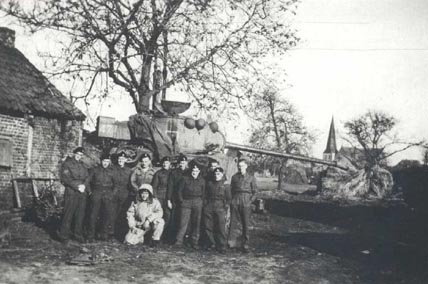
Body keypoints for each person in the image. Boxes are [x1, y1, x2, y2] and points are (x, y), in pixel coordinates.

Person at [57, 147, 89, 243]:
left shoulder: (83, 165)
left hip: (82, 192)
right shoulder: (67, 164)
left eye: (81, 155)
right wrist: (77, 186)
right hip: (71, 191)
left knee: (80, 214)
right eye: (78, 154)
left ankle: (77, 235)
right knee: (68, 213)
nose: (79, 156)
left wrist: (84, 185)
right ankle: (64, 235)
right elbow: (65, 178)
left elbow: (87, 177)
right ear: (74, 154)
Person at [229, 158, 257, 253]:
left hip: (246, 200)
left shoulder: (251, 178)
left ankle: (245, 244)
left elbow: (255, 192)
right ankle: (231, 243)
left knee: (245, 223)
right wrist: (232, 200)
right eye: (239, 166)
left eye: (242, 166)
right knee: (233, 222)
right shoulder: (234, 177)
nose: (240, 168)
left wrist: (250, 201)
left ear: (246, 166)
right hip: (236, 199)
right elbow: (231, 189)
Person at [175, 163, 205, 249]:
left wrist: (200, 201)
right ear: (190, 171)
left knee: (196, 222)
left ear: (199, 171)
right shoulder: (185, 179)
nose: (194, 172)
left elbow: (204, 192)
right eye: (193, 171)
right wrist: (181, 201)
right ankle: (179, 240)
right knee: (183, 222)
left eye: (196, 171)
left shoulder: (202, 181)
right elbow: (179, 191)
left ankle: (194, 241)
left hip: (197, 202)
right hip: (186, 202)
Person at [87, 153, 115, 242]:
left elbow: (116, 184)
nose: (105, 163)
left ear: (109, 162)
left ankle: (104, 234)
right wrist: (90, 192)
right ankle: (90, 235)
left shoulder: (112, 171)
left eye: (107, 161)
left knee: (106, 214)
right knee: (93, 215)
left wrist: (112, 194)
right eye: (104, 161)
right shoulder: (94, 170)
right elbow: (88, 181)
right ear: (101, 161)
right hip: (96, 192)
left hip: (108, 193)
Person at [203, 167, 231, 253]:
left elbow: (229, 198)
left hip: (220, 206)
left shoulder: (225, 186)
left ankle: (222, 245)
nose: (216, 175)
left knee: (221, 227)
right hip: (209, 205)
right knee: (208, 226)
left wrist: (225, 207)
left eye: (218, 174)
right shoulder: (210, 184)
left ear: (222, 175)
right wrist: (206, 205)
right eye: (215, 174)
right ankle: (211, 243)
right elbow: (205, 195)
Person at [167, 155, 189, 239]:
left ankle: (183, 237)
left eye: (184, 162)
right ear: (179, 163)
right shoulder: (174, 173)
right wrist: (169, 199)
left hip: (186, 198)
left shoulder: (189, 172)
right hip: (175, 198)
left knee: (184, 219)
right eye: (181, 162)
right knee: (174, 217)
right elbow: (170, 186)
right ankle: (171, 237)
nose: (182, 164)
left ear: (186, 163)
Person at [112, 151, 132, 240]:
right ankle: (111, 233)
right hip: (114, 193)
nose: (121, 160)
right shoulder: (112, 168)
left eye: (123, 159)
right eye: (119, 159)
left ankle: (120, 234)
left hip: (124, 194)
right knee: (112, 214)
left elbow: (130, 183)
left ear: (126, 160)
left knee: (122, 214)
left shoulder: (128, 170)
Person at [151, 156, 172, 241]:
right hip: (160, 196)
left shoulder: (172, 173)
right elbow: (154, 187)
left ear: (170, 164)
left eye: (167, 163)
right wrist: (155, 198)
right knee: (159, 215)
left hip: (169, 197)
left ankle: (164, 235)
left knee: (168, 216)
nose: (165, 164)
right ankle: (156, 235)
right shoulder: (158, 173)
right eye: (163, 163)